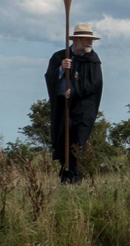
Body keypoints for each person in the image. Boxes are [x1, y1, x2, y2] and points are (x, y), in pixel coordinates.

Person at [44, 23, 103, 184]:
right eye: (85, 39)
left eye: (91, 40)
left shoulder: (92, 60)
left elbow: (95, 84)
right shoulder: (59, 57)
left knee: (78, 142)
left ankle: (76, 177)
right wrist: (61, 70)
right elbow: (49, 77)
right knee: (63, 140)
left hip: (84, 109)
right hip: (63, 108)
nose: (89, 43)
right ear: (76, 40)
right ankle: (65, 175)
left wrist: (75, 90)